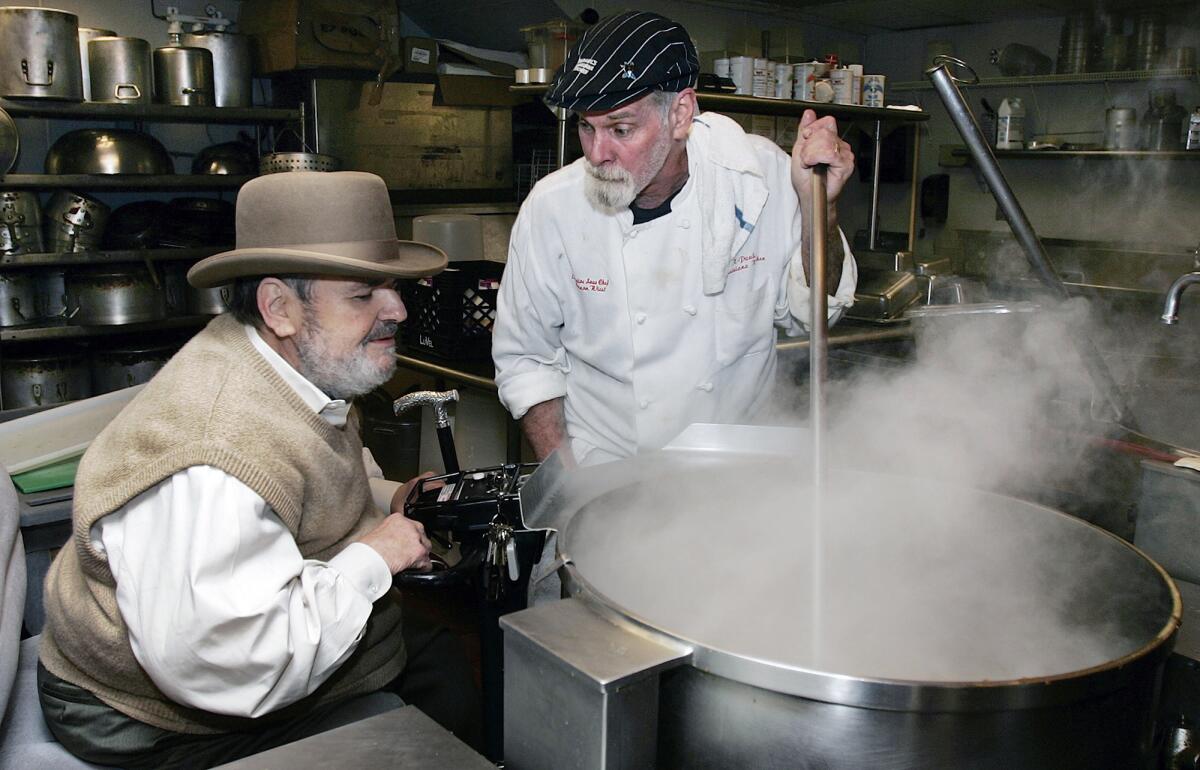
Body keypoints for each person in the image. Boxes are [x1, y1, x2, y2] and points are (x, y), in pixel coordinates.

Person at [36, 171, 480, 768]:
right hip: (149, 715)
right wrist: (377, 556)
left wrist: (391, 495)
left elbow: (300, 480)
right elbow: (229, 663)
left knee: (439, 662)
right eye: (362, 294)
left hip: (223, 650)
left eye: (393, 287)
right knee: (438, 700)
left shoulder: (290, 362)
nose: (397, 309)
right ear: (279, 306)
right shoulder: (213, 456)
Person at [493, 10, 858, 466]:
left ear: (681, 113)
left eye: (621, 129)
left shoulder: (756, 180)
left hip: (736, 473)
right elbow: (526, 360)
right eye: (587, 127)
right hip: (606, 468)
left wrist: (817, 206)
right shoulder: (552, 209)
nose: (597, 153)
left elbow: (814, 315)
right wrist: (571, 488)